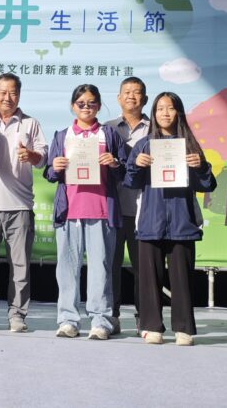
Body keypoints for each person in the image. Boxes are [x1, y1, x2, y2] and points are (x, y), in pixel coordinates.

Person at [124, 92, 217, 346]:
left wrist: (200, 167)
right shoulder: (144, 145)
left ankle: (183, 328)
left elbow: (208, 185)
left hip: (182, 221)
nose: (165, 113)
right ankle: (151, 326)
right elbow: (130, 182)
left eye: (170, 108)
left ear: (179, 112)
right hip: (150, 221)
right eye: (160, 108)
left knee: (182, 278)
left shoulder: (190, 145)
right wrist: (136, 165)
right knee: (149, 278)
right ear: (154, 114)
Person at [44, 84, 127, 340]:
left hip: (101, 210)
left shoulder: (108, 134)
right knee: (67, 269)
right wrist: (55, 167)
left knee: (100, 269)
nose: (86, 107)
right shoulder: (62, 135)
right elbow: (49, 173)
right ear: (73, 106)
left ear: (99, 106)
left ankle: (100, 320)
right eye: (81, 103)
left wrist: (114, 163)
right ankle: (68, 320)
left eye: (91, 103)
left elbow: (125, 173)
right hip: (69, 211)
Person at [0, 73, 48, 332]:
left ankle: (17, 314)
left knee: (21, 266)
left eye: (13, 92)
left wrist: (31, 155)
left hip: (20, 207)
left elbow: (43, 159)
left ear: (19, 95)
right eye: (3, 92)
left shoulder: (31, 123)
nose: (8, 97)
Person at [105, 77, 149, 334]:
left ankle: (146, 317)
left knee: (144, 269)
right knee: (110, 267)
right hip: (112, 209)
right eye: (127, 92)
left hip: (145, 210)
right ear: (119, 98)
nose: (131, 96)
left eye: (137, 92)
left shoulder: (156, 130)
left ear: (145, 99)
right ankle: (111, 316)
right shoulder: (106, 129)